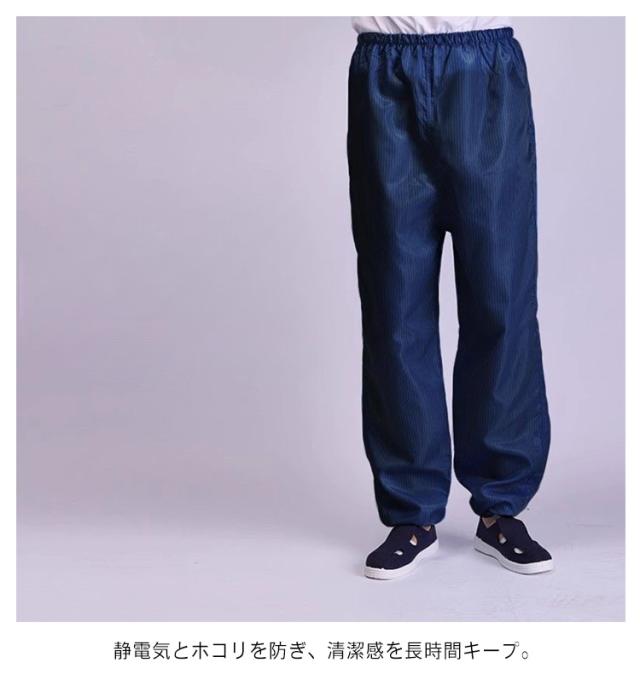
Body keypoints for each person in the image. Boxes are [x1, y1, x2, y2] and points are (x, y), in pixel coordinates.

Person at [346, 17, 553, 578]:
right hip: (384, 68)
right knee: (394, 304)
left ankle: (501, 509)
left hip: (483, 66)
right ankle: (411, 514)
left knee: (501, 297)